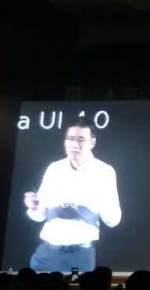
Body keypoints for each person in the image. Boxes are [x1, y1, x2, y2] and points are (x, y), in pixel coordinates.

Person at [23, 117, 121, 273]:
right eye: (70, 138)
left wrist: (96, 205)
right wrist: (34, 207)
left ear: (92, 142)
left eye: (81, 139)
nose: (75, 144)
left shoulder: (104, 172)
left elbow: (113, 220)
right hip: (46, 252)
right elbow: (40, 216)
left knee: (74, 289)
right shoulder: (54, 169)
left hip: (79, 255)